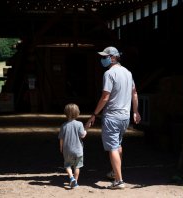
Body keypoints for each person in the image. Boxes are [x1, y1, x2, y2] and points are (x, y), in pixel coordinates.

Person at [85, 46, 141, 189]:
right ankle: (114, 173)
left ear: (113, 57)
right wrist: (135, 111)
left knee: (112, 147)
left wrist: (94, 114)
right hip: (124, 116)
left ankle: (119, 181)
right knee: (118, 145)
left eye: (105, 57)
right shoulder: (128, 73)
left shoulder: (109, 74)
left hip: (112, 116)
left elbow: (105, 97)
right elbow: (134, 93)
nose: (103, 59)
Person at [59, 103, 87, 189]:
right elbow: (82, 135)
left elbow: (61, 139)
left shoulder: (64, 125)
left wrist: (61, 148)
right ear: (77, 113)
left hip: (67, 150)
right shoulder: (79, 124)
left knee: (67, 165)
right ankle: (75, 181)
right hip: (78, 150)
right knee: (77, 166)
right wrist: (85, 131)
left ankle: (71, 178)